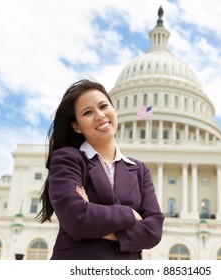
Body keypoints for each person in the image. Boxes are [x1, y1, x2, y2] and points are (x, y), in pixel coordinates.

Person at [36, 79, 164, 260]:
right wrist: (130, 213)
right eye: (88, 112)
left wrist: (94, 218)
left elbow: (153, 231)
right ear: (76, 126)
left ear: (114, 110)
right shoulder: (67, 159)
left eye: (103, 106)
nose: (100, 115)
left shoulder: (139, 170)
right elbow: (77, 219)